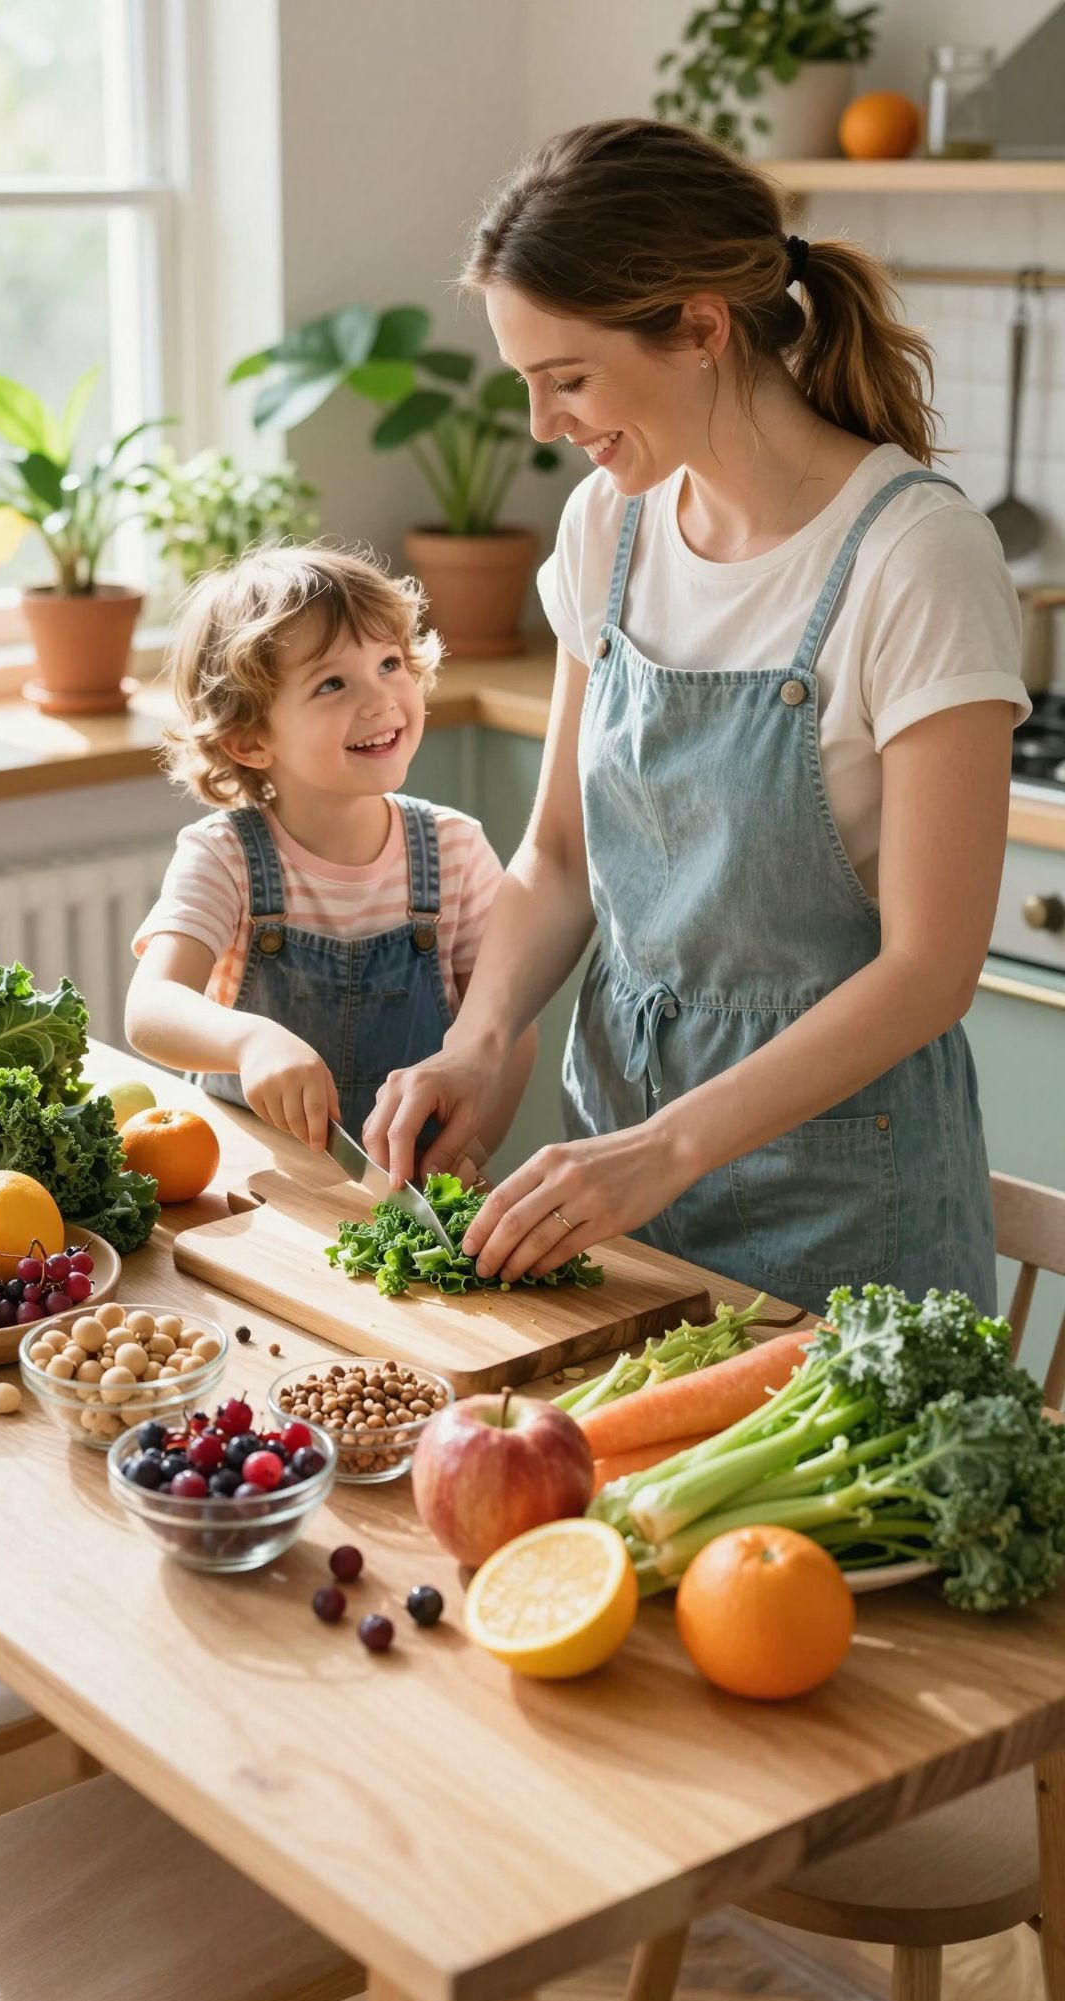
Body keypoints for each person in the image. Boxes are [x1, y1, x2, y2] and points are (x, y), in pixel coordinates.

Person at [364, 118, 1028, 1317]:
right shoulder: (606, 531)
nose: (543, 422)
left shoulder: (916, 556)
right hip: (616, 1164)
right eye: (530, 384)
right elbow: (559, 853)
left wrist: (669, 1145)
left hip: (844, 1200)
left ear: (702, 327)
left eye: (567, 377)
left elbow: (932, 969)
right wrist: (480, 1037)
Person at [126, 543, 534, 1157]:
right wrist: (249, 1042)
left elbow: (508, 1031)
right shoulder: (223, 857)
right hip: (259, 1194)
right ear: (249, 739)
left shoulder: (456, 849)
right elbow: (150, 1008)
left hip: (407, 1192)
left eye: (390, 663)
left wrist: (469, 1153)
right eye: (333, 683)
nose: (379, 700)